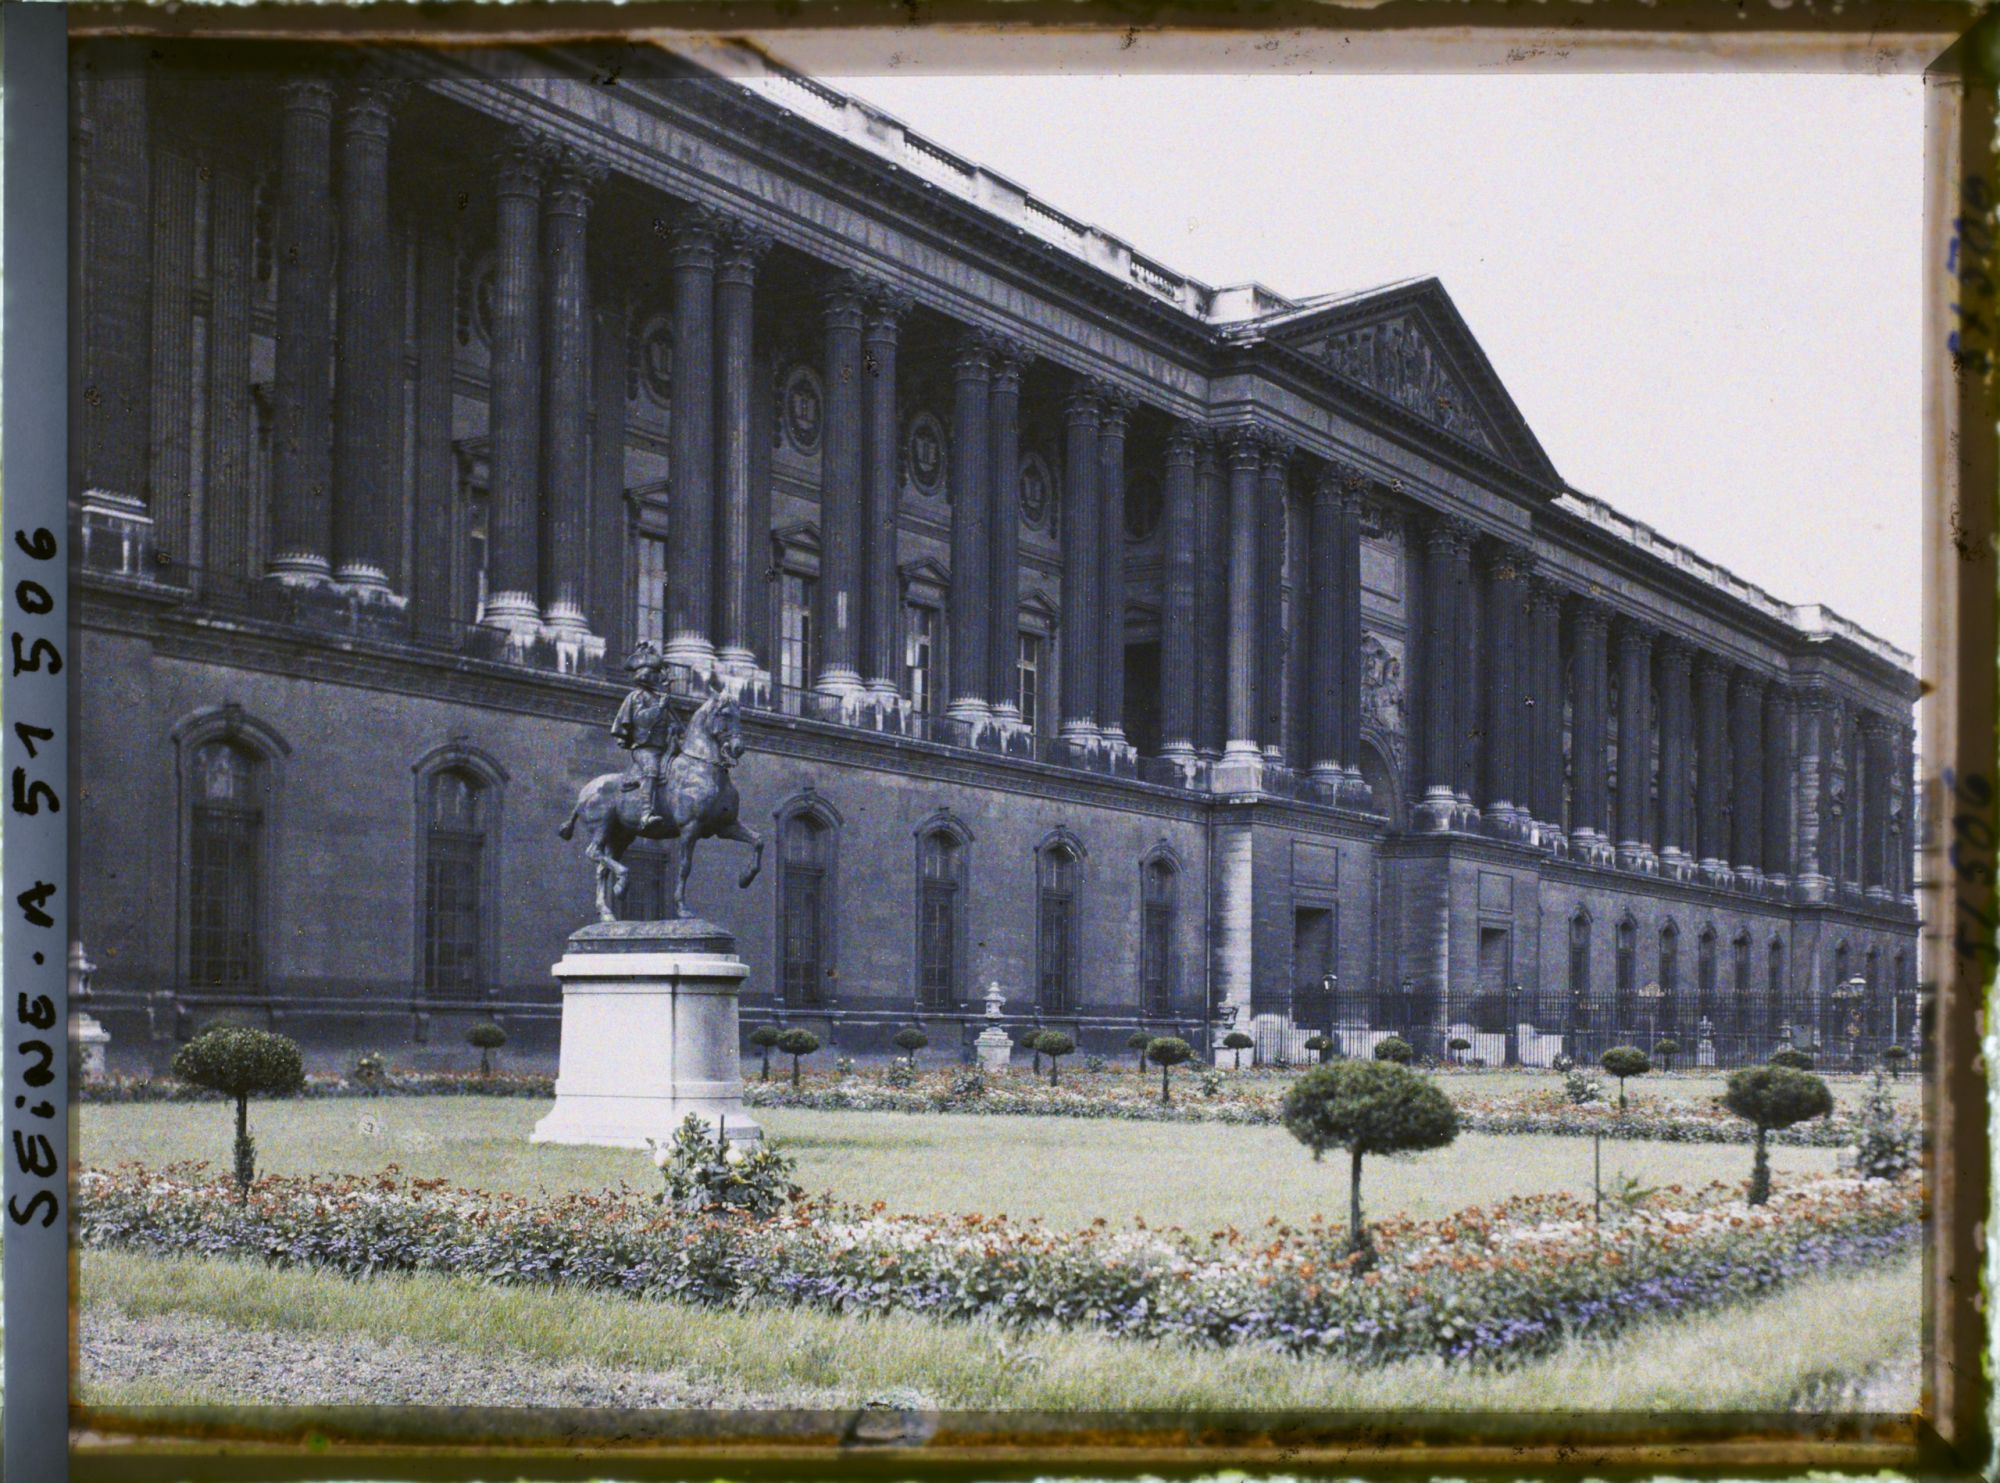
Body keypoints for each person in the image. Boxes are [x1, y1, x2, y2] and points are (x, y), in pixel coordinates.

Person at [611, 642, 680, 831]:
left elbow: (674, 724)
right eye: (654, 674)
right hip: (645, 748)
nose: (658, 677)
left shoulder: (660, 698)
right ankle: (645, 813)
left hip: (665, 747)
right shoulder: (636, 697)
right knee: (651, 770)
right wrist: (660, 708)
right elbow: (642, 721)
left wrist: (674, 727)